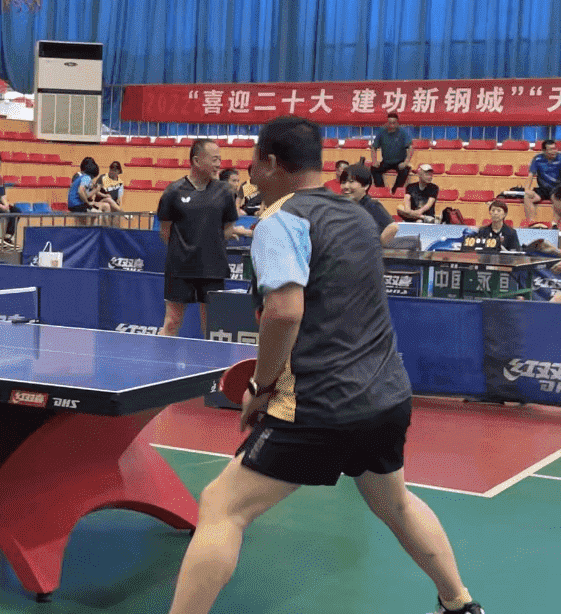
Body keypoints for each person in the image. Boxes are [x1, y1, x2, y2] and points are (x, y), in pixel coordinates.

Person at [167, 116, 485, 614]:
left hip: (319, 402)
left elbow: (283, 312)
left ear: (271, 163)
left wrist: (261, 386)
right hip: (385, 394)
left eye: (254, 160)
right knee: (395, 502)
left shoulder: (279, 221)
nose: (249, 170)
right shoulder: (358, 216)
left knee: (221, 507)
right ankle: (459, 603)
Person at [156, 139, 240, 337]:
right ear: (196, 160)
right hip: (180, 269)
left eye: (219, 159)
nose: (218, 164)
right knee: (172, 322)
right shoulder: (173, 192)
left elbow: (228, 229)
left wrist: (208, 247)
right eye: (214, 159)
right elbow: (165, 231)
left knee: (211, 327)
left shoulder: (225, 192)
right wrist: (185, 251)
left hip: (213, 269)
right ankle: (160, 357)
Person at [342, 162, 399, 246]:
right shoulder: (342, 206)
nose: (346, 186)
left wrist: (376, 246)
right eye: (343, 182)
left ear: (365, 186)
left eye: (351, 182)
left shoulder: (373, 205)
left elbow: (393, 227)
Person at [524, 139, 561, 222]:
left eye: (555, 148)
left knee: (557, 198)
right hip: (542, 189)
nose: (554, 151)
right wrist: (526, 190)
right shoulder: (537, 159)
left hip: (556, 188)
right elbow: (530, 175)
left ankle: (555, 224)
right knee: (527, 197)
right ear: (544, 151)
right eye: (551, 149)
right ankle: (531, 223)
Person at [370, 112, 413, 192]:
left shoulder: (403, 132)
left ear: (397, 123)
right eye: (390, 123)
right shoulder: (382, 131)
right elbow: (373, 147)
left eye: (394, 123)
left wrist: (405, 162)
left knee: (405, 170)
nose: (392, 125)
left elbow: (410, 148)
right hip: (386, 162)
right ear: (387, 122)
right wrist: (374, 161)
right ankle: (382, 190)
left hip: (400, 162)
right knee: (374, 169)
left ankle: (394, 191)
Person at [220, 168, 252, 238]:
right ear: (224, 182)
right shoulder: (218, 200)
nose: (237, 184)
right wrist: (247, 232)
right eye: (234, 181)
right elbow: (220, 228)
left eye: (238, 181)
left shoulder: (232, 197)